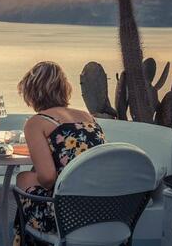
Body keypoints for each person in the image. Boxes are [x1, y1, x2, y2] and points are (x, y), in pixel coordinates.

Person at [13, 61, 106, 246]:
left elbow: (48, 178)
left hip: (67, 217)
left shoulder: (37, 122)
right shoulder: (88, 118)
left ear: (31, 92)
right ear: (64, 88)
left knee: (23, 178)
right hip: (103, 211)